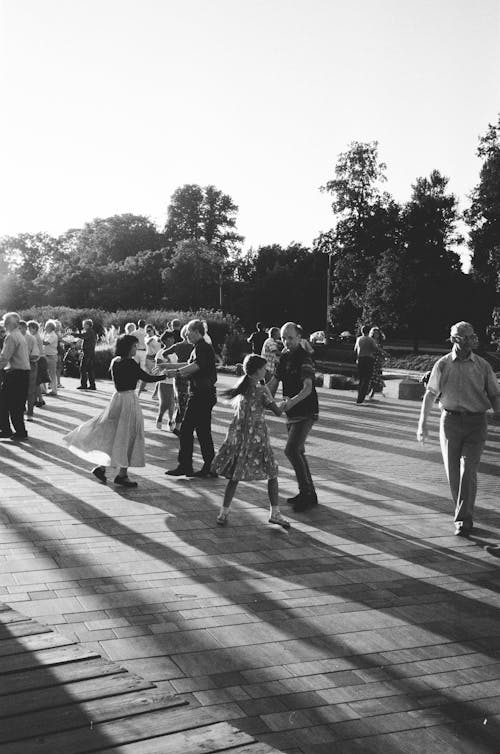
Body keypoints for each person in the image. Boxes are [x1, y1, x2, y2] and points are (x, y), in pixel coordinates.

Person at [417, 321, 500, 537]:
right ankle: (462, 511)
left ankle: (464, 519)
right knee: (453, 473)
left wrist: (498, 412)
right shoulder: (443, 364)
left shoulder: (483, 365)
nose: (474, 340)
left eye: (473, 336)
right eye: (468, 337)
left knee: (467, 469)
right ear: (456, 340)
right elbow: (430, 393)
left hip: (476, 423)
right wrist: (422, 423)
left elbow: (494, 394)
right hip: (450, 422)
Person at [63, 334, 166, 488]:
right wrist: (164, 375)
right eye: (133, 346)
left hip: (116, 399)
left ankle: (102, 467)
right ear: (128, 347)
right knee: (128, 434)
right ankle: (122, 474)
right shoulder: (130, 362)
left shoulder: (115, 361)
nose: (136, 349)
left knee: (112, 433)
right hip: (128, 400)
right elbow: (146, 378)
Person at [212, 354, 290, 530]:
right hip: (258, 438)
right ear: (256, 372)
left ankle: (223, 512)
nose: (266, 370)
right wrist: (286, 403)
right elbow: (277, 411)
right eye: (263, 368)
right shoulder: (262, 390)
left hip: (240, 438)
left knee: (235, 476)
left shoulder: (243, 386)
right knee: (272, 472)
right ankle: (275, 513)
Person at [267, 322, 319, 512]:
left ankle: (306, 493)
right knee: (298, 452)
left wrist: (290, 403)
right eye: (283, 338)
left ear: (299, 337)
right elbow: (274, 382)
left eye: (290, 337)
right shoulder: (284, 357)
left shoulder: (305, 358)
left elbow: (307, 389)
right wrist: (264, 398)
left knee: (291, 450)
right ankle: (309, 494)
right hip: (292, 412)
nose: (286, 341)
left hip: (306, 411)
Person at [165, 319, 217, 478]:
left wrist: (177, 373)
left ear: (196, 331)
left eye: (188, 332)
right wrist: (168, 367)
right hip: (203, 394)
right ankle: (210, 466)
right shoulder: (199, 347)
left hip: (201, 395)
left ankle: (186, 465)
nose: (186, 334)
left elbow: (196, 366)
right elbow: (188, 364)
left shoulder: (202, 347)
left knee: (186, 429)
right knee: (202, 431)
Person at [0, 312, 31, 440]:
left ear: (9, 324)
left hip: (15, 373)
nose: (4, 326)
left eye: (5, 323)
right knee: (17, 404)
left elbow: (4, 358)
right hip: (22, 373)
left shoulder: (11, 337)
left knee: (4, 404)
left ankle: (7, 430)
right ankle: (20, 431)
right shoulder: (20, 335)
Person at [159, 325, 194, 435]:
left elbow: (164, 353)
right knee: (187, 401)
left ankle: (177, 424)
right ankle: (179, 426)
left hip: (178, 374)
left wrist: (169, 361)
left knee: (180, 401)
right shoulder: (194, 347)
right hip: (189, 374)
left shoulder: (177, 346)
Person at [154, 331, 177, 430]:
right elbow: (159, 367)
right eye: (170, 338)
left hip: (174, 380)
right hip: (164, 380)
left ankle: (171, 421)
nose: (173, 340)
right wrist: (168, 362)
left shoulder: (175, 352)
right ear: (165, 341)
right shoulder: (160, 353)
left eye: (173, 338)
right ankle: (159, 417)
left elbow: (177, 364)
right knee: (165, 403)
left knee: (172, 403)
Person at [19, 320, 39, 422]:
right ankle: (21, 410)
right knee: (19, 391)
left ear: (24, 328)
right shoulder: (13, 337)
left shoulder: (31, 339)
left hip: (31, 366)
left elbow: (35, 355)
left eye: (19, 328)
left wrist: (22, 357)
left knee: (30, 391)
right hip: (18, 367)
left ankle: (30, 413)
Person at [354, 325, 378, 404]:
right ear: (369, 331)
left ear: (362, 331)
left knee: (361, 379)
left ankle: (359, 396)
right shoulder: (370, 340)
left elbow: (355, 349)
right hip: (368, 359)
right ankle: (361, 398)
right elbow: (375, 349)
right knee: (366, 380)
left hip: (360, 359)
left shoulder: (359, 339)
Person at [73, 319, 97, 391]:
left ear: (88, 325)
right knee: (90, 369)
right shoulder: (91, 332)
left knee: (83, 368)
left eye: (84, 324)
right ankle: (92, 385)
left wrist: (74, 334)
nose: (83, 326)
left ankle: (84, 385)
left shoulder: (89, 332)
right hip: (90, 352)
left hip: (88, 352)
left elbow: (83, 336)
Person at [367, 326, 386, 399]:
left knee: (376, 376)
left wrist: (383, 357)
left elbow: (381, 351)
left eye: (377, 333)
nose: (376, 334)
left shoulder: (380, 342)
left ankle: (372, 392)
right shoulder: (370, 341)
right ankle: (368, 390)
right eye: (374, 333)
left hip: (378, 361)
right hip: (371, 360)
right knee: (371, 376)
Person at [43, 320, 59, 396]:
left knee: (52, 374)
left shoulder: (53, 335)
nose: (45, 328)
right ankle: (44, 389)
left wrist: (37, 340)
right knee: (45, 373)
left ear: (50, 327)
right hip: (46, 355)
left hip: (51, 356)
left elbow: (46, 343)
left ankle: (54, 390)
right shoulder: (47, 334)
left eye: (46, 326)